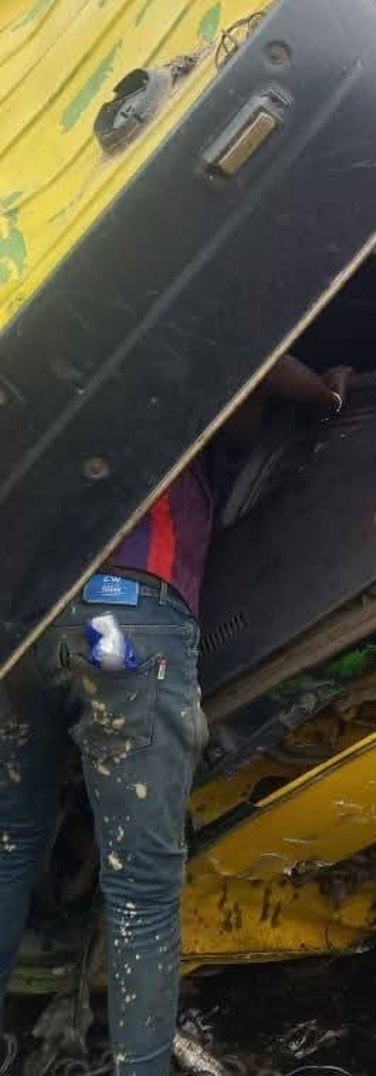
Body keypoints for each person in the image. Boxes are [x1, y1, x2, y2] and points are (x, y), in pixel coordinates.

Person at [0, 354, 352, 1075]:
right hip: (122, 625)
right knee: (141, 892)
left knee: (10, 844)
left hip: (25, 624)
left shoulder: (64, 368)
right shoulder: (179, 362)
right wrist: (326, 393)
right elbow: (256, 361)